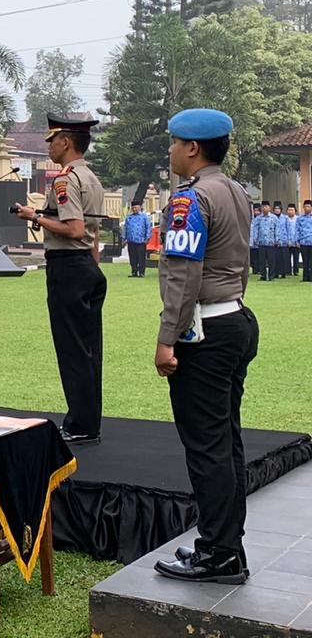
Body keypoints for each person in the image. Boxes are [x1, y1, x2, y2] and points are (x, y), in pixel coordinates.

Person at [149, 109, 258, 586]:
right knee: (226, 442)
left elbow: (184, 274)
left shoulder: (188, 199)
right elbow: (241, 260)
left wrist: (166, 339)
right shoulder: (236, 191)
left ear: (193, 149)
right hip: (235, 319)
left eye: (173, 143)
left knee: (207, 449)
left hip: (205, 334)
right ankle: (226, 545)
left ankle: (217, 552)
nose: (170, 150)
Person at [14, 113, 106, 444]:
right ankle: (89, 421)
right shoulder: (92, 178)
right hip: (87, 266)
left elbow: (75, 229)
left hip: (68, 268)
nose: (49, 146)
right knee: (90, 349)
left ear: (66, 142)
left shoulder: (64, 180)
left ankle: (80, 424)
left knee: (72, 350)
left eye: (52, 140)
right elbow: (92, 233)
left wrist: (34, 215)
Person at [249, 201, 277, 281]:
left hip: (271, 242)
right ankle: (263, 276)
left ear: (269, 208)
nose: (265, 208)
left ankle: (271, 276)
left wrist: (277, 239)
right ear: (261, 208)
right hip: (261, 242)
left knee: (271, 260)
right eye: (263, 207)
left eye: (266, 207)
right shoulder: (258, 218)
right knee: (262, 260)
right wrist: (254, 239)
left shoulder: (273, 218)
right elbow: (255, 230)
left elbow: (277, 229)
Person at [124, 200, 152, 277]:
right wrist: (124, 238)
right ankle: (134, 271)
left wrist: (147, 238)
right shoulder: (129, 217)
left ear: (140, 207)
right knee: (132, 258)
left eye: (135, 207)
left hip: (141, 241)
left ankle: (142, 272)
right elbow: (125, 228)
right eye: (133, 208)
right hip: (131, 241)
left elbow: (148, 228)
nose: (134, 209)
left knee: (141, 258)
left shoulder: (144, 217)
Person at [299, 200, 312, 282]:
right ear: (303, 207)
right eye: (305, 206)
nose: (307, 208)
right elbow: (297, 230)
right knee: (305, 261)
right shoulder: (300, 218)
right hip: (303, 242)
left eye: (308, 206)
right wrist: (297, 240)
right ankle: (305, 277)